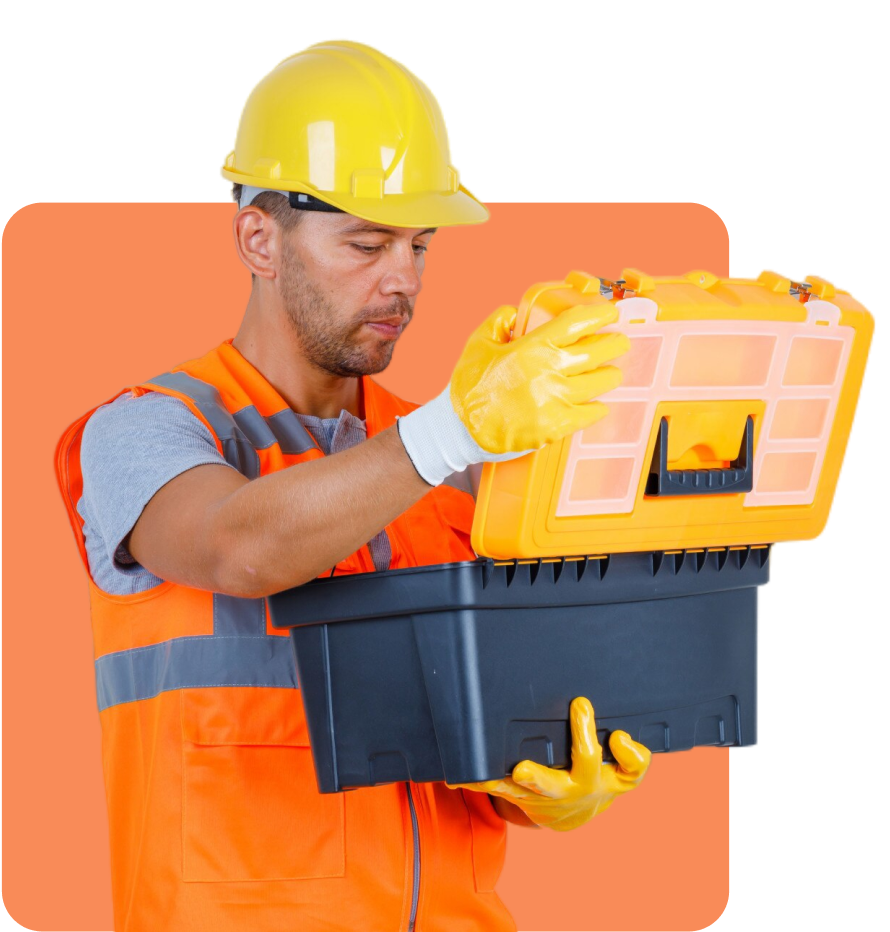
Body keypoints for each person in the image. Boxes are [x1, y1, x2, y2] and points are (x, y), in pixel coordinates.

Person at [55, 38, 651, 932]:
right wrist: (455, 429)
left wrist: (552, 786)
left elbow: (497, 725)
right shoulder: (145, 431)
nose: (402, 281)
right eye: (367, 243)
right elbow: (240, 547)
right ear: (260, 236)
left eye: (418, 244)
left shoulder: (460, 456)